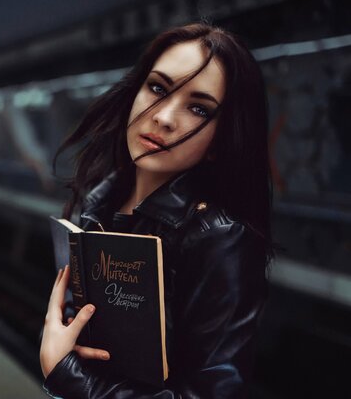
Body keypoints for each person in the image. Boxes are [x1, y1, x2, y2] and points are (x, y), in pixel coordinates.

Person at [39, 21, 275, 398]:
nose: (164, 117)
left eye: (198, 108)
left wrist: (68, 375)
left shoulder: (219, 238)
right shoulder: (100, 199)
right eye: (158, 88)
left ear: (220, 139)